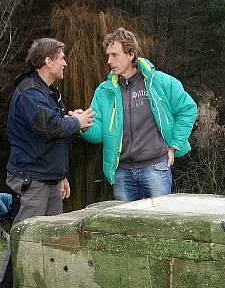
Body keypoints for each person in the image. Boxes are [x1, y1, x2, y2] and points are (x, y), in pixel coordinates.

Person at [0, 38, 95, 288]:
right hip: (31, 182)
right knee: (21, 244)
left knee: (49, 244)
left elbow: (51, 131)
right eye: (61, 58)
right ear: (48, 61)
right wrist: (78, 122)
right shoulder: (29, 93)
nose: (65, 63)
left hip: (48, 180)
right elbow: (50, 129)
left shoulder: (46, 93)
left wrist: (60, 175)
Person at [80, 27, 198, 201]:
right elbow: (98, 134)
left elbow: (188, 109)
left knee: (160, 225)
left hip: (156, 168)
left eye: (114, 55)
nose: (109, 61)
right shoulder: (104, 91)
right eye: (108, 55)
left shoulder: (159, 82)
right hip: (121, 173)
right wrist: (84, 125)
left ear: (131, 54)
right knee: (125, 228)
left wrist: (174, 146)